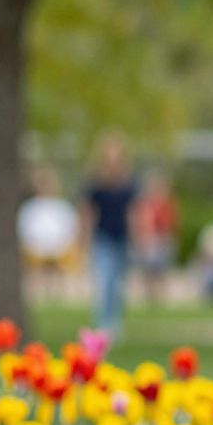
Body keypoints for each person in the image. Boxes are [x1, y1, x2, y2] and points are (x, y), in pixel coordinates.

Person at [84, 133, 139, 336]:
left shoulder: (128, 183)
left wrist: (137, 238)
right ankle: (103, 322)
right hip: (102, 237)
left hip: (122, 238)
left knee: (117, 283)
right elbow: (89, 212)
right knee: (105, 279)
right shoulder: (95, 183)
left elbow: (133, 213)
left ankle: (114, 321)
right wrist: (84, 238)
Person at [17, 169, 80, 302]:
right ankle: (36, 296)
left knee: (67, 256)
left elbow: (70, 228)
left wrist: (59, 244)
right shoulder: (30, 207)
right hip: (35, 247)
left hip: (60, 247)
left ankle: (59, 295)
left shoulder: (62, 206)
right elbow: (25, 229)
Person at [132, 170, 180, 307]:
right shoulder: (146, 204)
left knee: (162, 269)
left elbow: (172, 223)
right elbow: (142, 222)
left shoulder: (168, 204)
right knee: (148, 269)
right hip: (149, 238)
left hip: (163, 238)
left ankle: (161, 295)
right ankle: (149, 295)